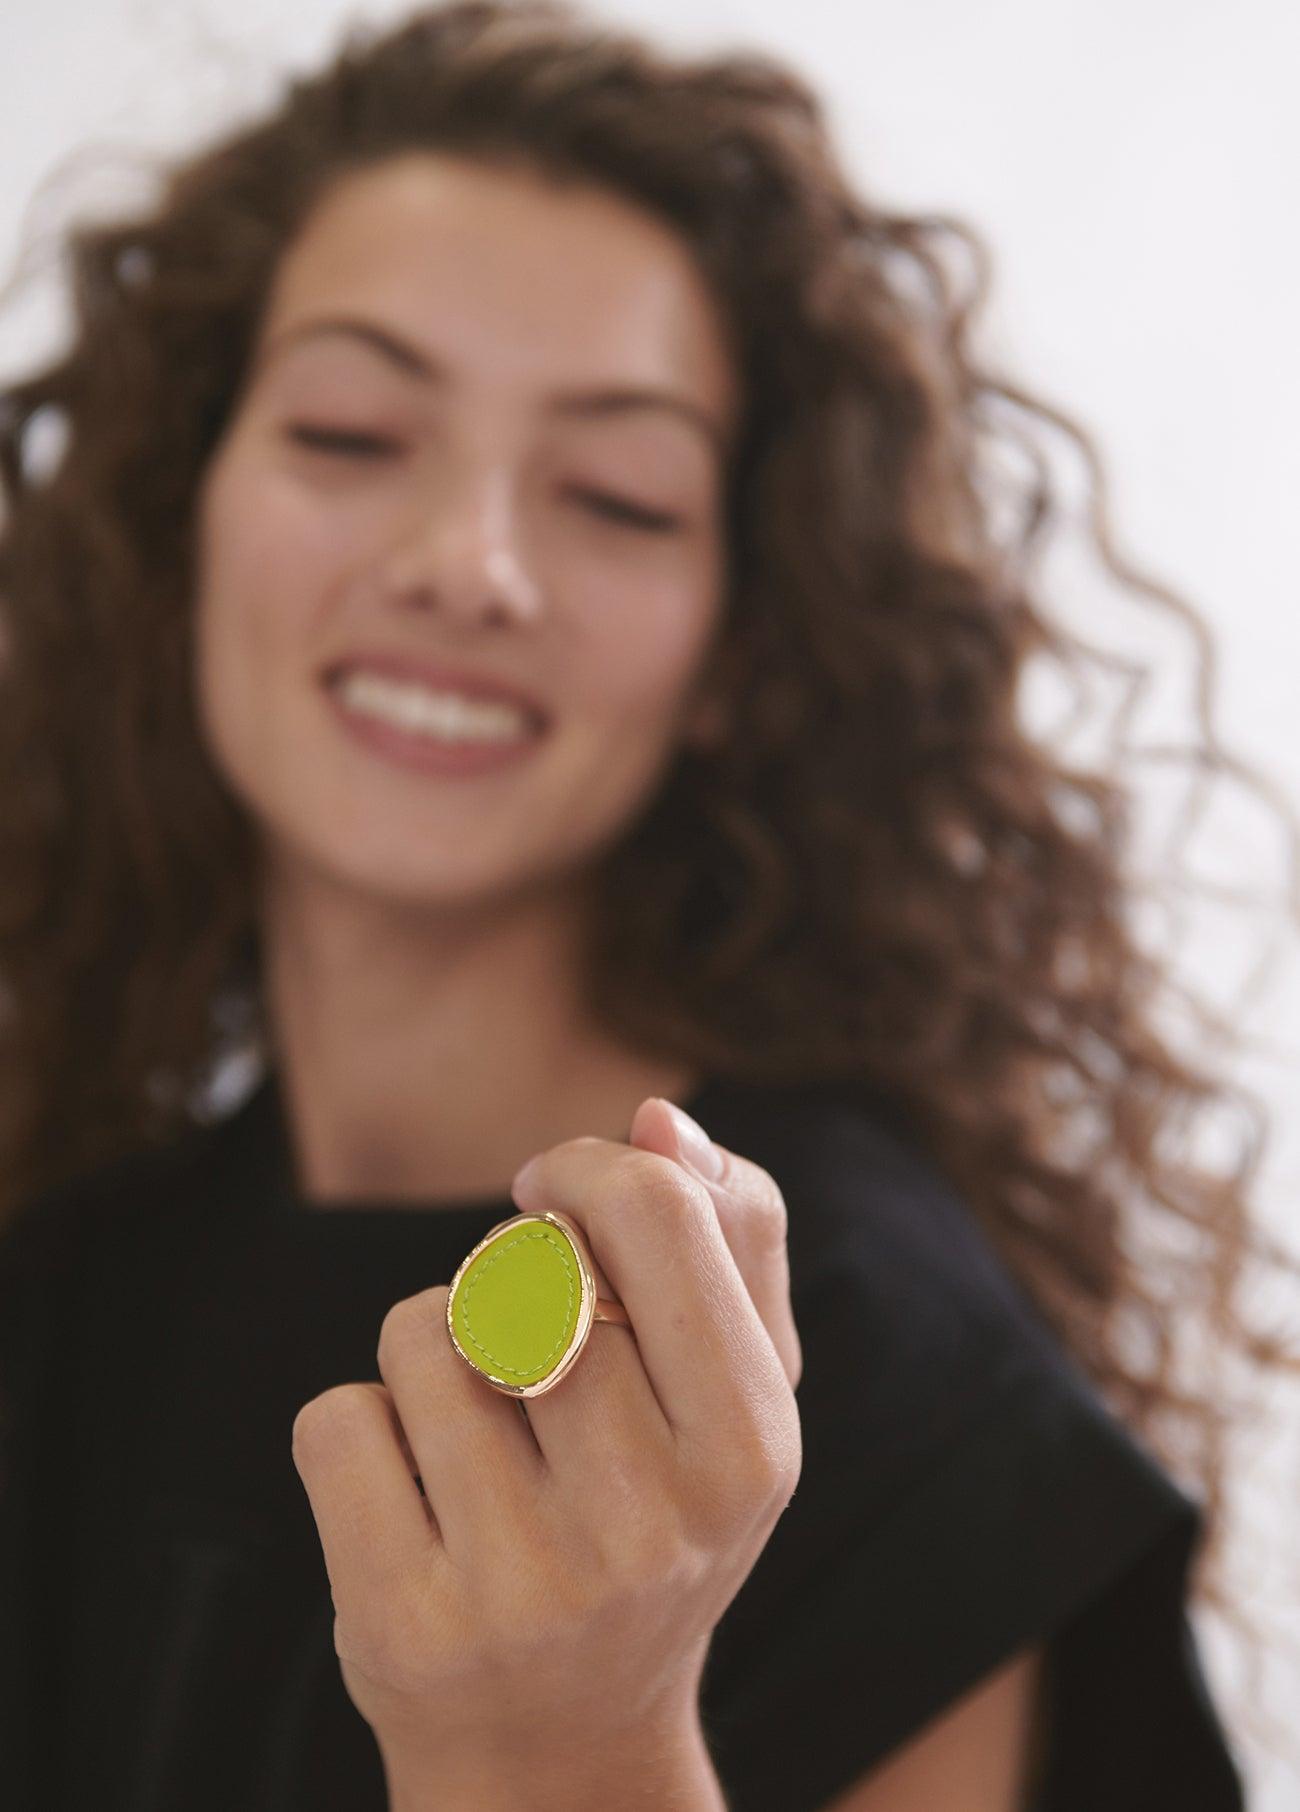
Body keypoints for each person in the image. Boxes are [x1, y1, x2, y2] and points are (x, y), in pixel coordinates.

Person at [0, 2, 1295, 1807]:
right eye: (352, 430)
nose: (470, 563)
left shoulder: (861, 1351)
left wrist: (567, 1745)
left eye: (614, 492)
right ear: (179, 520)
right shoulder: (55, 1297)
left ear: (737, 655)